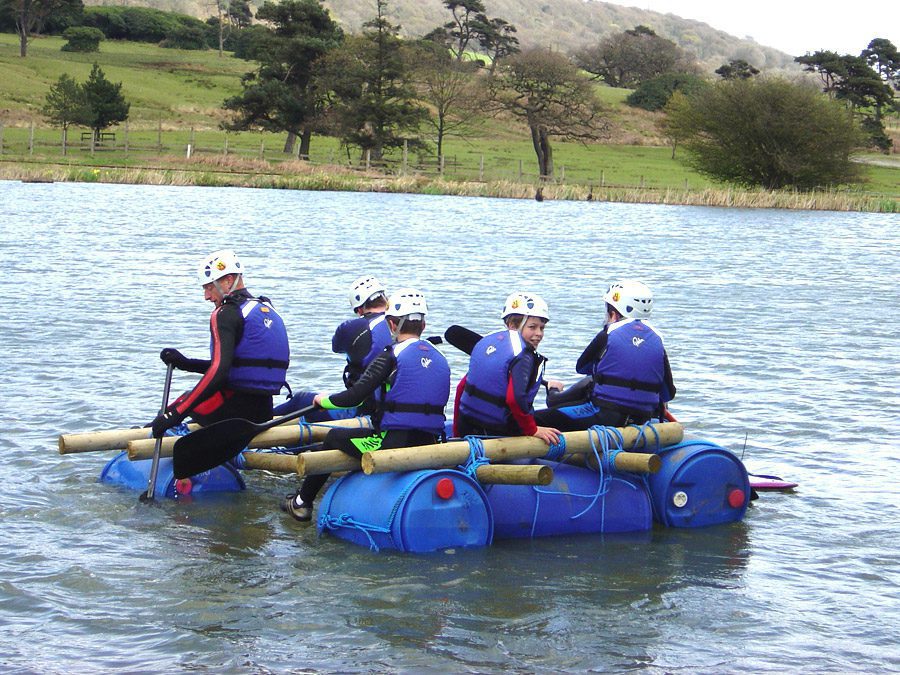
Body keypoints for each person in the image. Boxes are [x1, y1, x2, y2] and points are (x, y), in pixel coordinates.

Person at [282, 288, 451, 522]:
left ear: (392, 325)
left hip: (392, 442)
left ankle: (302, 502)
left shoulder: (389, 356)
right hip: (431, 441)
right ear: (423, 325)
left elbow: (354, 397)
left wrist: (323, 401)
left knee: (333, 438)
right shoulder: (439, 356)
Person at [150, 249, 290, 439]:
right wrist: (186, 363)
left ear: (228, 280)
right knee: (190, 411)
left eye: (209, 287)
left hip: (234, 411)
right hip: (263, 410)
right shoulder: (266, 308)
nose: (207, 296)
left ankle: (137, 444)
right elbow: (240, 367)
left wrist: (174, 414)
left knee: (180, 403)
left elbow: (219, 373)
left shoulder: (226, 313)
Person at [534, 280, 675, 431]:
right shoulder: (658, 339)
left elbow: (582, 366)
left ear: (613, 314)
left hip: (605, 414)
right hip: (643, 417)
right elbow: (668, 392)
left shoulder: (608, 333)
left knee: (536, 419)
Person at [272, 275, 392, 420]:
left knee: (300, 400)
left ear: (360, 309)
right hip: (390, 406)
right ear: (385, 299)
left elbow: (337, 347)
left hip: (362, 408)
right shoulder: (399, 325)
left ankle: (260, 422)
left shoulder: (353, 327)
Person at [454, 293, 562, 445]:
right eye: (532, 327)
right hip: (497, 433)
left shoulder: (488, 343)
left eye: (542, 328)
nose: (539, 333)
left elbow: (461, 388)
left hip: (468, 426)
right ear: (512, 326)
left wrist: (456, 433)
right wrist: (533, 430)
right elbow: (514, 399)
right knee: (558, 420)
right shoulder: (523, 355)